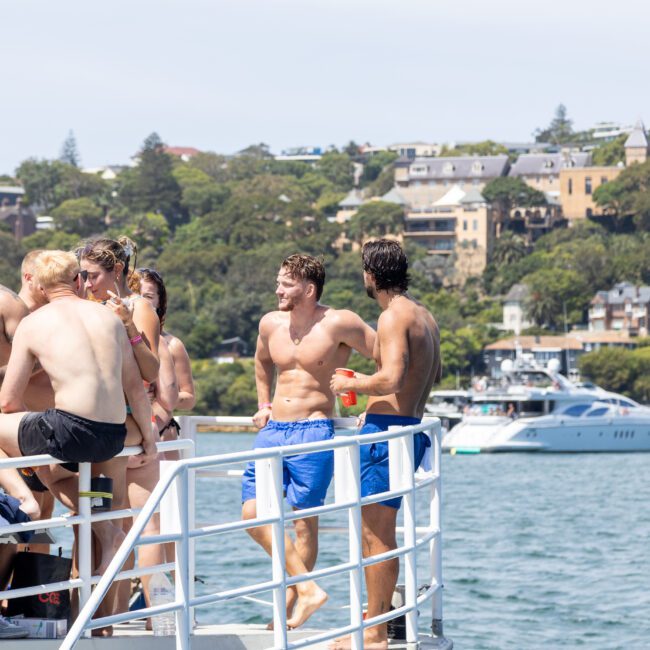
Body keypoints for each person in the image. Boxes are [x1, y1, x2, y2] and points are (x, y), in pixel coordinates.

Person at [0, 250, 156, 577]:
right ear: (77, 280)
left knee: (51, 470)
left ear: (40, 288)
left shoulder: (33, 323)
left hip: (70, 429)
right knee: (95, 485)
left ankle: (23, 498)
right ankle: (108, 531)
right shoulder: (111, 320)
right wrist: (149, 439)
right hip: (114, 433)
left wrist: (29, 432)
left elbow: (8, 402)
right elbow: (136, 389)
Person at [242, 253, 375, 630]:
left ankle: (288, 611)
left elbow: (387, 355)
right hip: (273, 431)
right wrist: (263, 403)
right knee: (252, 515)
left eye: (285, 283)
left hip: (314, 431)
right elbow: (260, 361)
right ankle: (309, 589)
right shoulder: (270, 323)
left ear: (309, 288)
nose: (277, 289)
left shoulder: (339, 322)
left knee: (304, 525)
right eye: (279, 281)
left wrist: (371, 400)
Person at [329, 239, 441, 650]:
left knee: (375, 537)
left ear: (372, 275)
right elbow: (429, 373)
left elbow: (393, 377)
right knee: (381, 534)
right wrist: (376, 403)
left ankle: (374, 632)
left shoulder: (394, 315)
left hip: (385, 436)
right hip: (404, 429)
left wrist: (352, 382)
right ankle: (377, 623)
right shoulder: (424, 315)